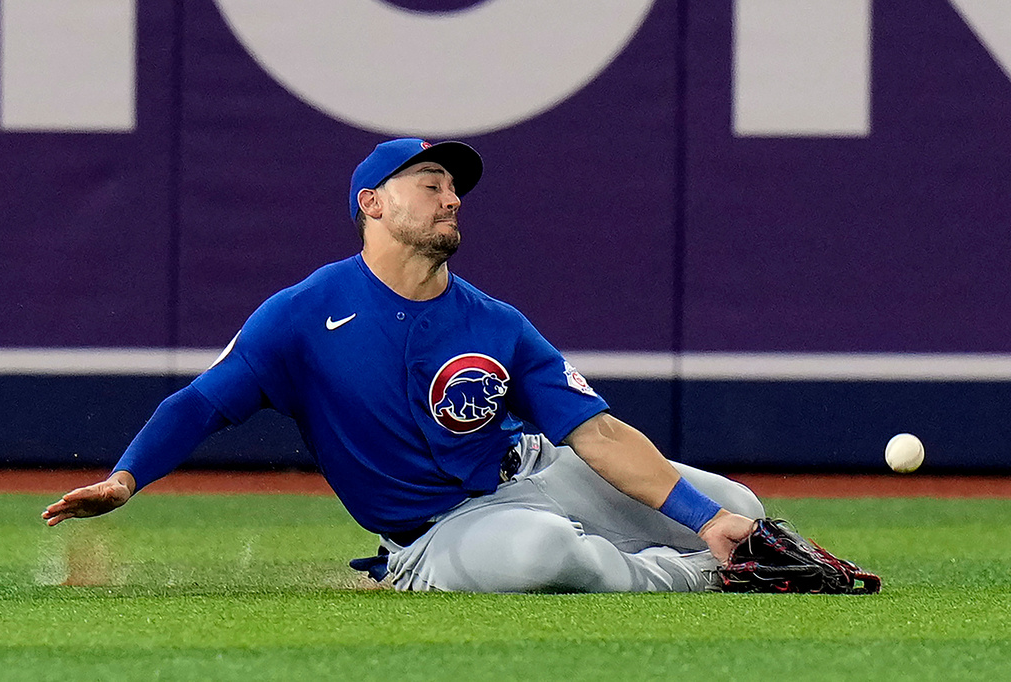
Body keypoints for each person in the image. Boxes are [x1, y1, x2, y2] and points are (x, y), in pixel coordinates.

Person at [43, 138, 764, 592]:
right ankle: (697, 580)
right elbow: (199, 405)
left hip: (539, 472)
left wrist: (705, 519)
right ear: (373, 203)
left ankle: (713, 550)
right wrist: (127, 476)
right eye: (430, 183)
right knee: (543, 555)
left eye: (454, 188)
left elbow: (598, 435)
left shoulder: (494, 321)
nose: (452, 198)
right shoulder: (302, 313)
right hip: (441, 532)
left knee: (742, 510)